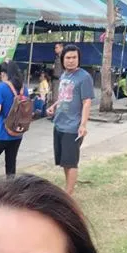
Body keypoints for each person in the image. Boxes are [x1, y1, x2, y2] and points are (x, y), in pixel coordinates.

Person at [47, 45, 94, 195]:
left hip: (73, 127)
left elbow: (87, 102)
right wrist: (54, 106)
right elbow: (64, 96)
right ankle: (68, 189)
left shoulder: (84, 77)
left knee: (71, 162)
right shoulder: (64, 75)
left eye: (74, 57)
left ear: (79, 59)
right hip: (59, 124)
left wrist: (83, 125)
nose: (71, 60)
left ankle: (68, 194)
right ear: (63, 59)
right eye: (68, 57)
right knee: (65, 162)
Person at [0, 61, 27, 188]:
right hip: (18, 132)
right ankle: (11, 190)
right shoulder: (23, 88)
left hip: (2, 132)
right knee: (11, 163)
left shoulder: (2, 87)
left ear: (4, 73)